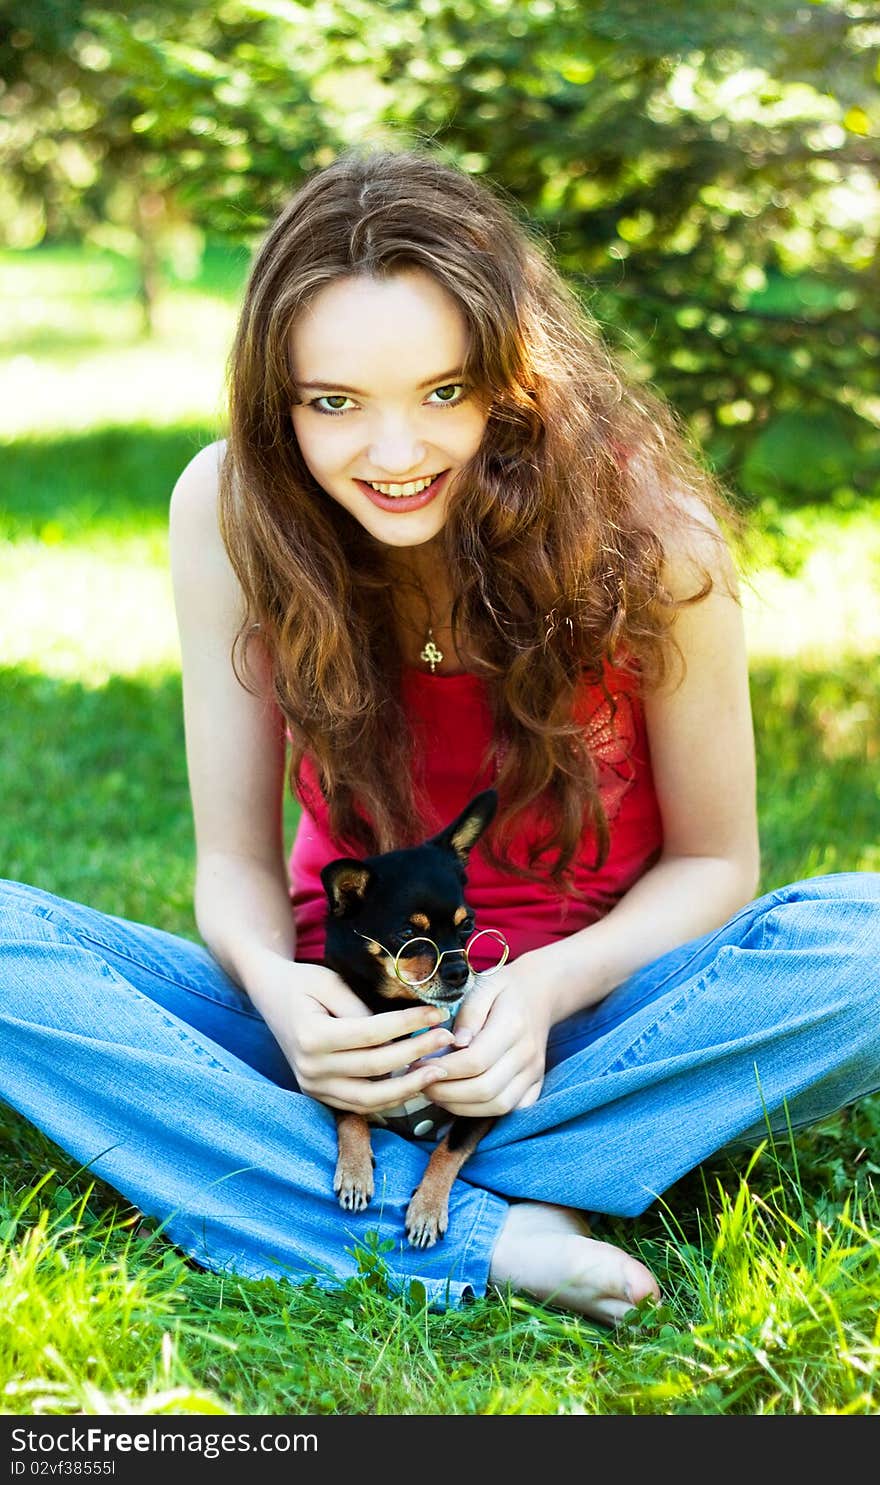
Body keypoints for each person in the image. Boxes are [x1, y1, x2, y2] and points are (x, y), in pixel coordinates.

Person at [2, 148, 878, 1329]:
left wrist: (549, 991)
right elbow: (234, 867)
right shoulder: (227, 513)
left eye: (444, 392)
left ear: (514, 384)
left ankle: (332, 1182)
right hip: (342, 1031)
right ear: (278, 403)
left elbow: (717, 865)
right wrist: (278, 996)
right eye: (333, 404)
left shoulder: (654, 540)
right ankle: (503, 1219)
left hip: (602, 1028)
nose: (396, 453)